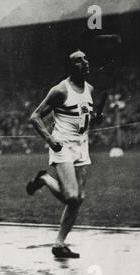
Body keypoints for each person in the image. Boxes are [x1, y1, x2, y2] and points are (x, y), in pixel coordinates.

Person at [27, 50, 104, 258]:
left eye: (86, 59)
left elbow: (86, 116)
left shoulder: (89, 88)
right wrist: (51, 140)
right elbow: (34, 117)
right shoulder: (60, 90)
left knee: (79, 198)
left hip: (82, 146)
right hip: (62, 145)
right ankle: (44, 178)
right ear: (70, 67)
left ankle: (59, 244)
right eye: (79, 61)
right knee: (71, 196)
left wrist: (96, 119)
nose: (85, 63)